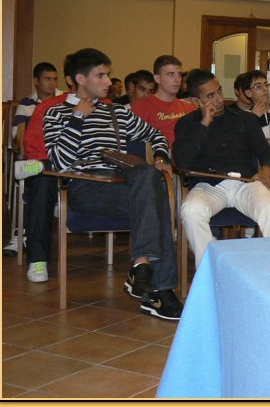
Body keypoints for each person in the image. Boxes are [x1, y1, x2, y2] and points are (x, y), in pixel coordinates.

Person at [42, 48, 183, 320]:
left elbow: (156, 135)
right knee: (157, 203)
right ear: (80, 78)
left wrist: (160, 157)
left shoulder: (117, 111)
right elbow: (59, 162)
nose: (108, 81)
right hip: (87, 187)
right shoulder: (55, 113)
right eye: (101, 76)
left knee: (148, 176)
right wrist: (77, 118)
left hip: (125, 183)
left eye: (108, 75)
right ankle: (160, 291)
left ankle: (142, 269)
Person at [173, 69, 270, 268]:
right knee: (191, 210)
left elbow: (266, 152)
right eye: (210, 96)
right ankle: (210, 270)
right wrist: (204, 124)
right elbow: (181, 161)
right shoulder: (187, 124)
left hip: (245, 183)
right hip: (208, 186)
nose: (219, 99)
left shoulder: (245, 119)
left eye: (219, 91)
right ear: (195, 101)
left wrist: (267, 167)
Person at [4, 62, 61, 257]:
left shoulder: (64, 100)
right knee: (29, 177)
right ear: (36, 81)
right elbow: (17, 133)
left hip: (59, 156)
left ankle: (27, 232)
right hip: (35, 155)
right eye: (47, 79)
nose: (52, 83)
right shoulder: (27, 104)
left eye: (55, 79)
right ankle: (21, 232)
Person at [131, 55, 197, 150]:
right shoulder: (141, 107)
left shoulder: (190, 109)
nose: (177, 80)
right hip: (156, 156)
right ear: (157, 78)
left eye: (179, 75)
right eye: (170, 75)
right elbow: (135, 145)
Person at [229, 70, 270, 140]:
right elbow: (237, 139)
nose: (265, 89)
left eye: (266, 85)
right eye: (258, 87)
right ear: (248, 93)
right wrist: (253, 117)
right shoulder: (243, 116)